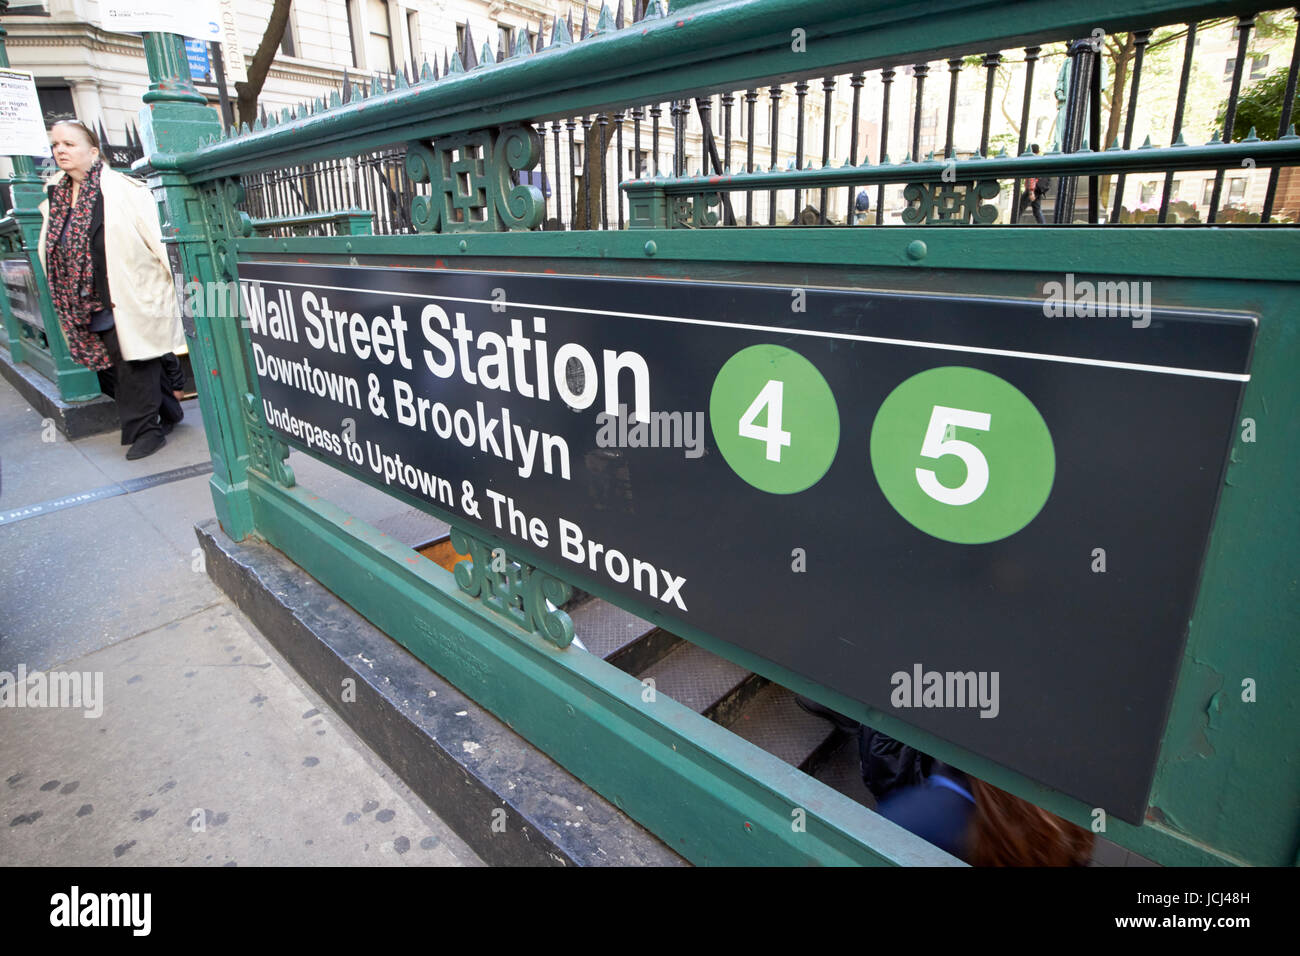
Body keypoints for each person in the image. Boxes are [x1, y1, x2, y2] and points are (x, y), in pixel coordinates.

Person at [38, 119, 184, 460]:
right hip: (80, 301)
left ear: (93, 151)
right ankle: (171, 412)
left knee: (133, 362)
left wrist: (181, 286)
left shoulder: (122, 191)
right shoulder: (56, 198)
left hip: (127, 291)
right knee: (109, 366)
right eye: (56, 145)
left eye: (69, 144)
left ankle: (147, 431)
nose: (60, 150)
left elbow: (158, 239)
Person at [1018, 144, 1049, 224]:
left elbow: (1031, 176)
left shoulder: (1032, 160)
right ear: (1038, 151)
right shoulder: (1041, 160)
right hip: (1039, 189)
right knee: (1037, 210)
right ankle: (1043, 227)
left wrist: (1031, 191)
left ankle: (1012, 224)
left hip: (1032, 188)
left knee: (1019, 209)